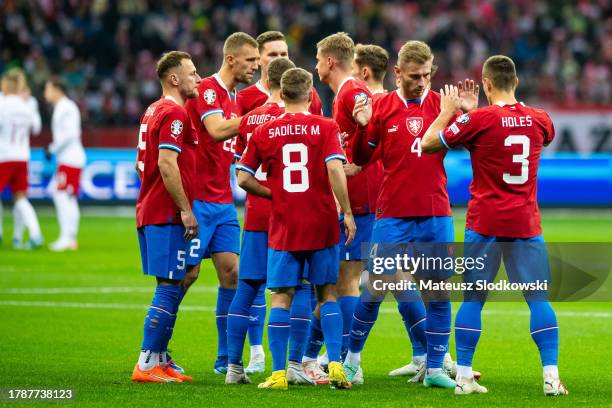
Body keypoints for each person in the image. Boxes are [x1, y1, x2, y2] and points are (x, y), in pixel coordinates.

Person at [421, 55, 568, 396]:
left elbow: (428, 144)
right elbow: (530, 135)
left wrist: (461, 114)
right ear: (515, 82)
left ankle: (465, 377)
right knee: (538, 299)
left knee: (473, 299)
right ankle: (550, 377)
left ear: (485, 84)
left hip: (484, 222)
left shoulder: (479, 119)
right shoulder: (540, 119)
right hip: (525, 223)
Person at [346, 40, 478, 389]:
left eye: (427, 75)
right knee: (375, 288)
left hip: (435, 212)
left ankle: (434, 368)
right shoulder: (382, 106)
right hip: (393, 215)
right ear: (398, 73)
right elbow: (361, 158)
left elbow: (474, 144)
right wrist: (361, 125)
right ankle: (351, 361)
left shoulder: (441, 104)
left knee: (438, 293)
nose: (422, 82)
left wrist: (468, 114)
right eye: (415, 76)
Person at [237, 67, 355, 390]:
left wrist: (273, 193)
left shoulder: (265, 132)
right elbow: (334, 168)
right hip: (320, 223)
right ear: (310, 93)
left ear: (282, 93)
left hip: (284, 225)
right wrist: (346, 210)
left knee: (281, 298)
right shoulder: (326, 126)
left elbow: (243, 177)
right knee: (327, 293)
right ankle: (334, 366)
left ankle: (278, 375)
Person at [226, 57, 323, 385]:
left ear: (273, 84)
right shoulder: (305, 122)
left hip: (256, 216)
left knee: (246, 289)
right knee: (299, 290)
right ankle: (293, 365)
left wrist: (266, 192)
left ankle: (233, 367)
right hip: (293, 217)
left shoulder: (250, 120)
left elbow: (241, 174)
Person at [184, 32, 259, 375]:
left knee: (233, 274)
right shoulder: (209, 90)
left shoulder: (232, 97)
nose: (255, 67)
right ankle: (155, 350)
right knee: (188, 275)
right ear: (231, 59)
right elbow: (215, 131)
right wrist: (256, 118)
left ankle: (225, 358)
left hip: (223, 202)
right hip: (198, 200)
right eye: (250, 61)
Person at [301, 33, 373, 379]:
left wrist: (361, 158)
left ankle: (345, 362)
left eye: (318, 59)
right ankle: (310, 357)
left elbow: (369, 115)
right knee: (335, 285)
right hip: (354, 198)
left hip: (357, 201)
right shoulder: (341, 95)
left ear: (330, 61)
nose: (315, 66)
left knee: (345, 284)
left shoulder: (351, 91)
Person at [131, 51, 200, 383]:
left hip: (150, 208)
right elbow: (166, 163)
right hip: (165, 213)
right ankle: (146, 363)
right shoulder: (174, 113)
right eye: (192, 73)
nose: (198, 78)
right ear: (174, 79)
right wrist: (185, 209)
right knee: (171, 284)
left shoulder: (152, 110)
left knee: (173, 282)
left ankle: (159, 358)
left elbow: (138, 163)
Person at [0, 68, 43, 249]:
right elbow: (36, 128)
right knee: (20, 197)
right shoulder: (26, 105)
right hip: (22, 156)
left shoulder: (3, 103)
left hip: (4, 155)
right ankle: (35, 233)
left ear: (7, 85)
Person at [43, 78, 86, 251]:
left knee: (61, 195)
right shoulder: (65, 107)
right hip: (70, 158)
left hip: (70, 158)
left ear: (57, 89)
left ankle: (66, 238)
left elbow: (71, 133)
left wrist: (52, 148)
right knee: (67, 197)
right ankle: (70, 238)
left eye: (48, 89)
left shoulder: (65, 107)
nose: (46, 93)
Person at [238, 31, 324, 116]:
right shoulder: (243, 98)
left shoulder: (308, 91)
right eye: (273, 55)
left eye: (283, 54)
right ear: (258, 59)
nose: (280, 59)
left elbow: (320, 126)